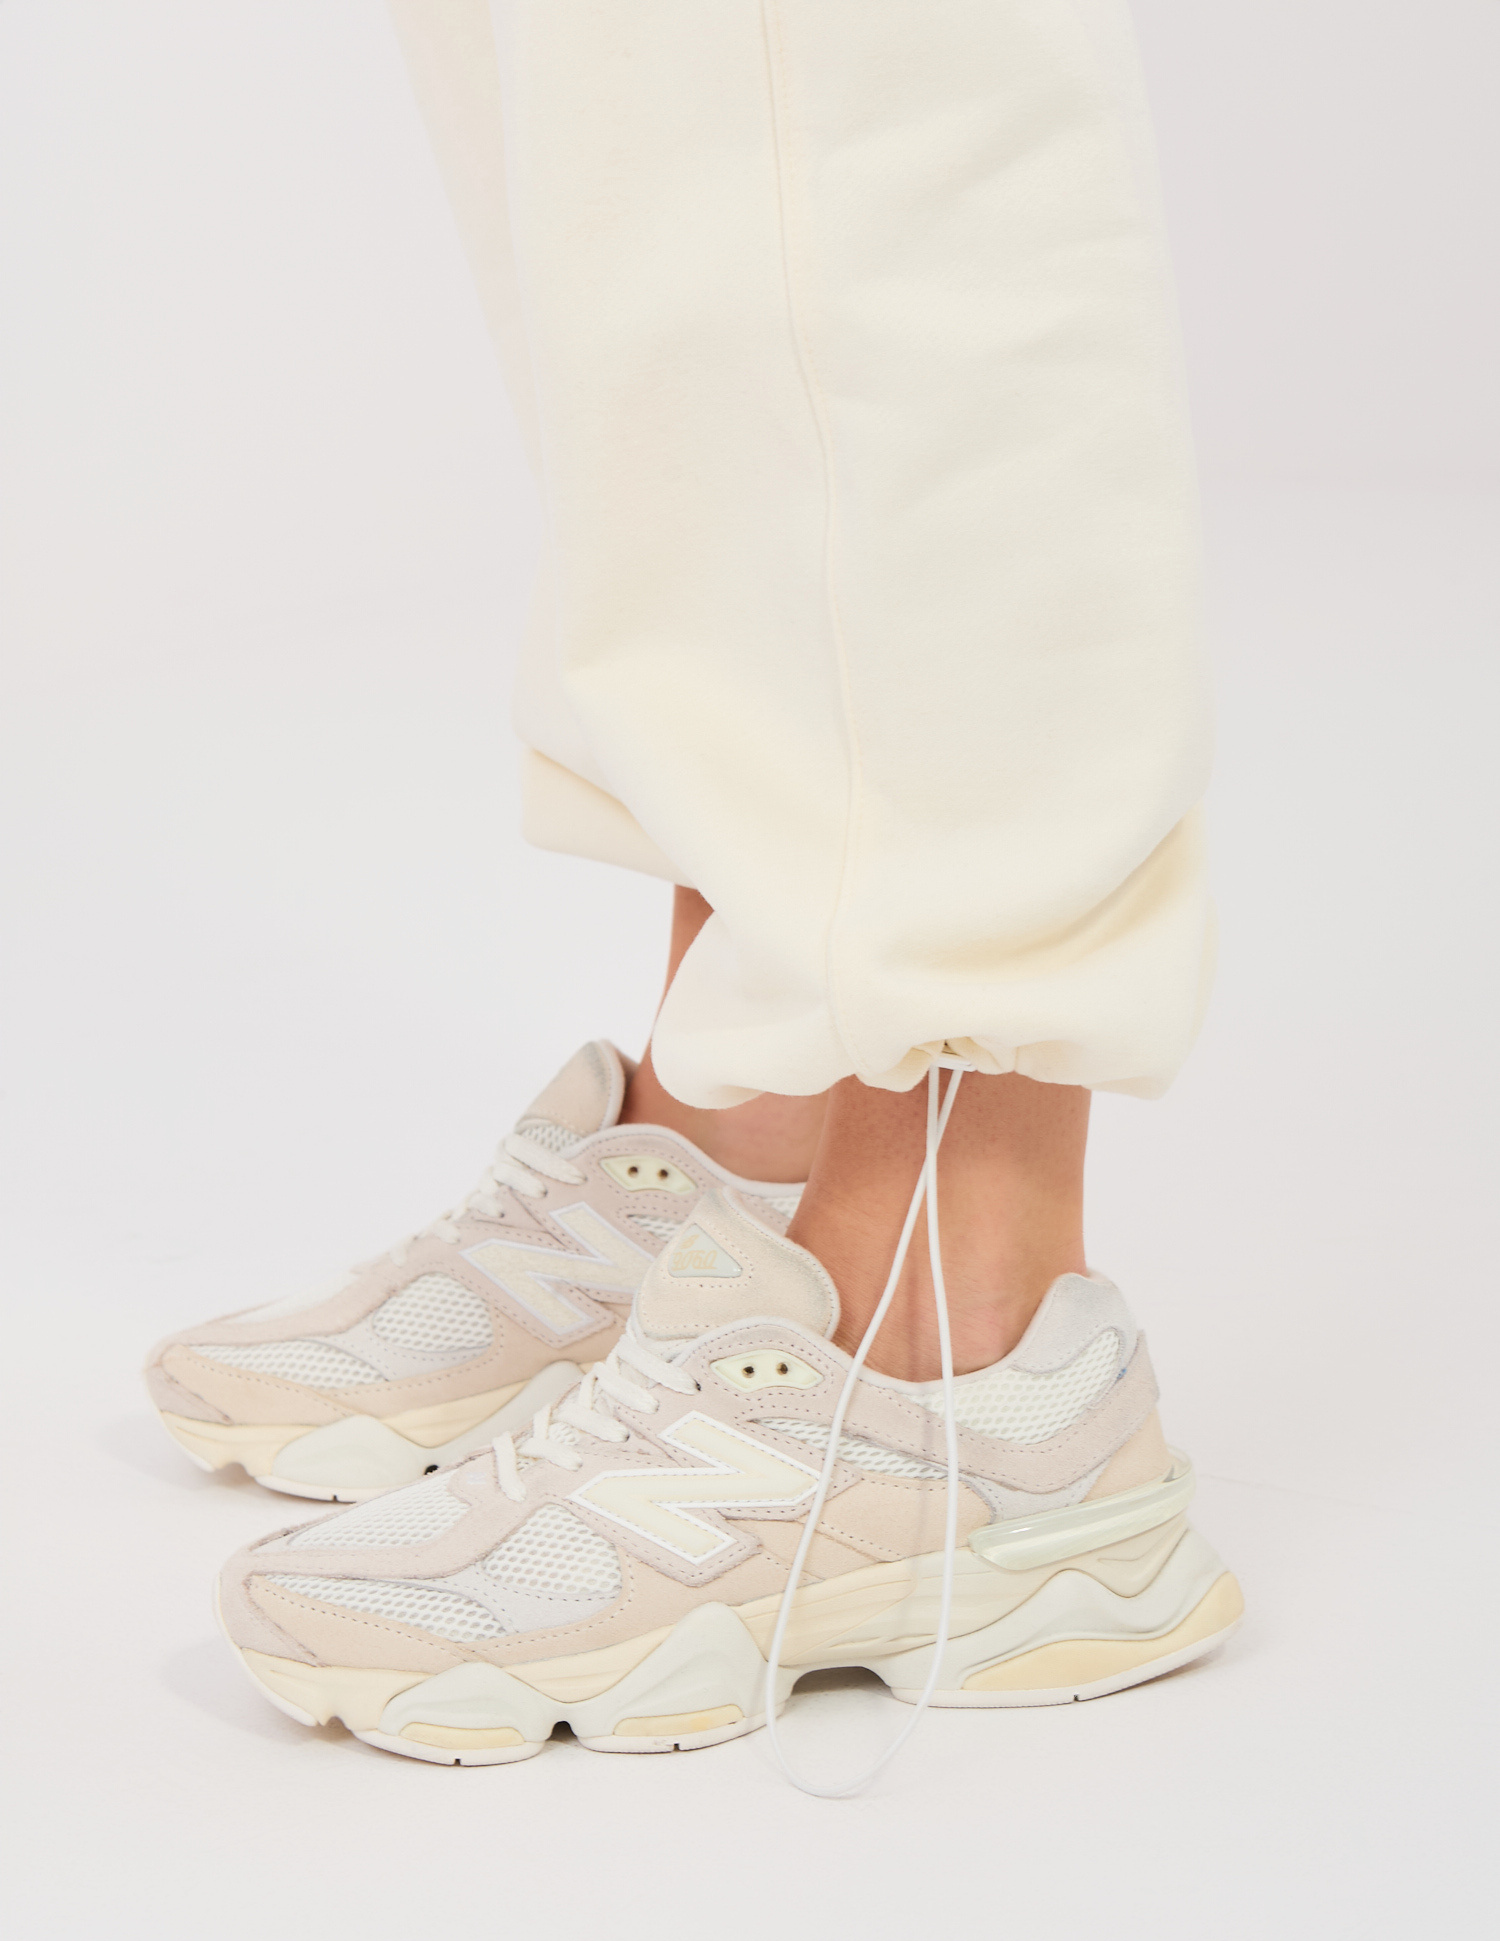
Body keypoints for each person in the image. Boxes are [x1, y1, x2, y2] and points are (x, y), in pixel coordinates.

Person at [145, 0, 1240, 1790]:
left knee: (877, 126)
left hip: (950, 1299)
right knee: (639, 164)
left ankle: (947, 1331)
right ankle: (751, 1138)